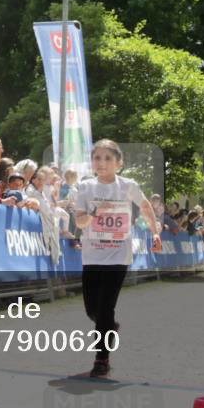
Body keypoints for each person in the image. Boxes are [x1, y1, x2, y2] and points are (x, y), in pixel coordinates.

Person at [74, 139, 161, 378]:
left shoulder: (127, 186)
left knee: (105, 308)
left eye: (107, 158)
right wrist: (93, 213)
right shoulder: (85, 188)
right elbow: (79, 222)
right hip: (92, 255)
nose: (101, 163)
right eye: (97, 158)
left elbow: (144, 206)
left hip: (118, 254)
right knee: (92, 310)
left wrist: (154, 231)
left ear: (119, 163)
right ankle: (108, 326)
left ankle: (102, 358)